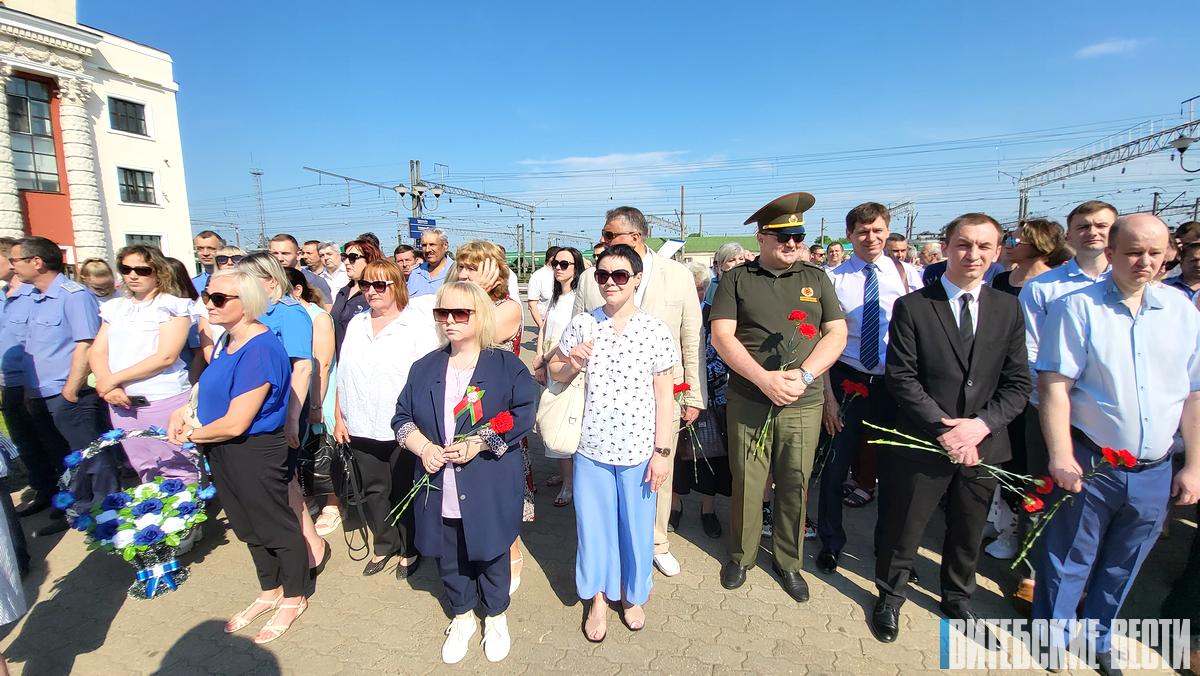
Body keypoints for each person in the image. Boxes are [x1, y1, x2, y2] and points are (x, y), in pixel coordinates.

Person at [1032, 213, 1200, 673]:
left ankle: (1098, 636)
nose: (1144, 262)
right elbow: (1054, 386)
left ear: (1169, 253)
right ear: (1110, 254)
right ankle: (1051, 636)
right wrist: (1061, 454)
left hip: (1156, 467)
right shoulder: (1077, 307)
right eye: (1132, 252)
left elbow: (1193, 393)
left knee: (1126, 560)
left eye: (1155, 252)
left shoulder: (1183, 313)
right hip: (1092, 462)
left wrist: (1194, 465)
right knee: (1069, 555)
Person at [870, 212, 1030, 645]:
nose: (972, 254)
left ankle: (957, 598)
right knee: (905, 525)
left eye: (983, 246)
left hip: (982, 445)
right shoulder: (915, 306)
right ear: (947, 247)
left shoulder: (1008, 308)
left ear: (998, 252)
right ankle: (890, 595)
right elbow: (902, 377)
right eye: (963, 244)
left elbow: (1018, 383)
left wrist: (979, 426)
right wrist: (945, 429)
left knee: (967, 529)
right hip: (924, 440)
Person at [711, 192, 847, 602]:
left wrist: (805, 375)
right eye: (783, 236)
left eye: (798, 235)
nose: (792, 243)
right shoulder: (737, 279)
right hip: (750, 398)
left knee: (794, 482)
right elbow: (722, 336)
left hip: (802, 401)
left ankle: (789, 561)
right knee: (749, 481)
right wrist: (764, 378)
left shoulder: (816, 278)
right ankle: (741, 555)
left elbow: (836, 333)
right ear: (761, 238)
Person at [392, 281, 537, 664]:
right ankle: (461, 615)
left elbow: (523, 413)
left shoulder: (505, 366)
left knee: (491, 552)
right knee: (450, 553)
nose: (450, 321)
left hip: (487, 480)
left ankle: (496, 614)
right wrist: (422, 447)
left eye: (461, 313)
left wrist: (480, 442)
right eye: (443, 313)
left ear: (480, 315)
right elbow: (402, 417)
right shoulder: (424, 367)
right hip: (438, 482)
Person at [168, 269, 307, 644]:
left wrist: (191, 436)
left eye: (218, 299)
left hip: (253, 449)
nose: (208, 304)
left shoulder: (260, 349)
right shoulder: (227, 339)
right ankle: (269, 589)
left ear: (247, 304)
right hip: (222, 449)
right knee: (246, 524)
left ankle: (294, 596)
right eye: (207, 296)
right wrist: (183, 411)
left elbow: (236, 422)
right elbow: (209, 385)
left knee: (274, 523)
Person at [549, 244, 678, 641]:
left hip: (639, 453)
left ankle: (633, 594)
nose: (609, 283)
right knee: (594, 529)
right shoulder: (583, 324)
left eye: (619, 275)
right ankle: (599, 598)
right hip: (591, 451)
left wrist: (661, 453)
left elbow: (664, 396)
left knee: (637, 529)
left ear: (637, 279)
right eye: (602, 275)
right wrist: (572, 362)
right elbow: (552, 371)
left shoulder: (655, 330)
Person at [573, 206, 703, 578]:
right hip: (603, 403)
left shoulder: (676, 275)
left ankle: (656, 542)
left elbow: (692, 336)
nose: (604, 241)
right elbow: (575, 334)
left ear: (636, 237)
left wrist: (693, 393)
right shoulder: (589, 279)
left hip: (664, 392)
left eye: (610, 235)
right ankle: (610, 555)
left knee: (656, 472)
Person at [1015, 200, 1115, 602]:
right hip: (1048, 408)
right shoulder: (1044, 287)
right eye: (1084, 226)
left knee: (1097, 502)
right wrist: (1062, 391)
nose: (1093, 232)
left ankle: (1082, 581)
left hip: (1106, 418)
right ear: (1069, 235)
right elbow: (1028, 350)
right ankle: (1031, 575)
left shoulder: (1129, 286)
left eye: (1103, 225)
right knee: (1042, 488)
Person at [816, 203, 912, 575]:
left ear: (887, 231)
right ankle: (831, 542)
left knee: (894, 472)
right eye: (862, 232)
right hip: (846, 379)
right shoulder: (836, 281)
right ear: (850, 236)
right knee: (834, 465)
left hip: (895, 386)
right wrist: (828, 397)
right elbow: (824, 341)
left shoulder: (909, 277)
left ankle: (889, 549)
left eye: (877, 231)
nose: (870, 238)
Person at [334, 260, 439, 576]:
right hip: (361, 424)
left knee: (402, 489)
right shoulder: (357, 323)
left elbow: (429, 376)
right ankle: (384, 544)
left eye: (380, 285)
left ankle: (409, 548)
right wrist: (339, 417)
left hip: (402, 426)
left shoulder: (416, 325)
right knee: (373, 491)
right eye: (366, 285)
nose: (371, 291)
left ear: (397, 287)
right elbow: (343, 373)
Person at [11, 236, 118, 535]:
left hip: (67, 393)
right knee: (64, 457)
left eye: (16, 260)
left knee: (89, 454)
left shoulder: (73, 296)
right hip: (39, 393)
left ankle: (106, 511)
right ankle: (78, 508)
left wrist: (72, 387)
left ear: (37, 262)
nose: (12, 266)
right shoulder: (31, 297)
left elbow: (86, 343)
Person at [237, 253, 328, 571]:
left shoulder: (289, 314)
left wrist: (293, 418)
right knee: (273, 481)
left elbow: (303, 368)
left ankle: (311, 544)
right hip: (252, 413)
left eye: (246, 280)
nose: (239, 287)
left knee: (282, 480)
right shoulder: (252, 313)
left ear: (270, 282)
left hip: (281, 412)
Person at [451, 241, 533, 587]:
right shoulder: (458, 305)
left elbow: (477, 337)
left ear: (496, 271)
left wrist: (476, 294)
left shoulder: (507, 307)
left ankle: (512, 550)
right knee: (467, 485)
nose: (466, 274)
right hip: (461, 402)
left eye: (475, 267)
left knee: (500, 487)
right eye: (463, 267)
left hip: (498, 408)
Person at [90, 245, 199, 483]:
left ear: (158, 271)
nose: (133, 275)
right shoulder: (116, 307)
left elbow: (166, 356)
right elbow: (98, 349)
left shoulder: (173, 306)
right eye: (125, 269)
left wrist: (114, 379)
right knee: (144, 467)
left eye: (142, 270)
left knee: (178, 465)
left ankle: (189, 517)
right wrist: (109, 386)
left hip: (161, 399)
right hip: (121, 402)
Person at [670, 261, 732, 539]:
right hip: (673, 396)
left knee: (710, 456)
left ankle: (708, 510)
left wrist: (695, 384)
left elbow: (722, 358)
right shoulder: (670, 315)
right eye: (693, 288)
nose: (698, 292)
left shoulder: (712, 314)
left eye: (702, 287)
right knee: (676, 457)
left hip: (710, 399)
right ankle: (675, 505)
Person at [0, 237, 55, 523]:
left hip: (33, 381)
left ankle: (65, 499)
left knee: (49, 441)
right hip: (8, 382)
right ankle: (43, 489)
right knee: (27, 444)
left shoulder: (34, 296)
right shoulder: (3, 297)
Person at [531, 247, 583, 506]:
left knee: (566, 423)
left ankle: (570, 484)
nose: (558, 267)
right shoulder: (554, 298)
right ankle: (563, 473)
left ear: (576, 268)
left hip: (566, 369)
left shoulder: (578, 300)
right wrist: (539, 358)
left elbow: (569, 340)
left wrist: (546, 358)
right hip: (549, 368)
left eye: (565, 263)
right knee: (551, 421)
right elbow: (544, 329)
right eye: (555, 263)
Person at [330, 239, 383, 356]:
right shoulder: (343, 292)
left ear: (369, 259)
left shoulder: (377, 294)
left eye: (353, 257)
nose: (347, 262)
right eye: (345, 257)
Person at [268, 234, 332, 307]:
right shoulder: (264, 280)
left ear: (298, 255)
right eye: (275, 253)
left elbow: (327, 310)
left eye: (285, 253)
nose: (279, 258)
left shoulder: (314, 281)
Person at [408, 228, 452, 297]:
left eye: (432, 244)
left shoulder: (456, 271)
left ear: (445, 245)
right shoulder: (415, 273)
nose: (427, 250)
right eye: (424, 245)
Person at [526, 245, 560, 332]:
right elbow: (532, 305)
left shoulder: (562, 273)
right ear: (552, 259)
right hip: (546, 323)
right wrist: (542, 327)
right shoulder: (538, 276)